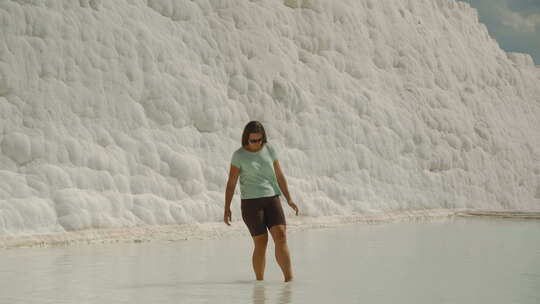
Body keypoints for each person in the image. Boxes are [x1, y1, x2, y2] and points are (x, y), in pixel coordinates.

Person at [224, 121, 299, 282]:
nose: (257, 144)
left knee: (281, 235)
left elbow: (279, 175)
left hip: (272, 198)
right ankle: (260, 282)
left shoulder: (269, 149)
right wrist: (227, 207)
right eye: (253, 140)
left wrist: (289, 198)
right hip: (251, 203)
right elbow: (231, 183)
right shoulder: (239, 155)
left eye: (260, 140)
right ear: (246, 139)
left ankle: (289, 281)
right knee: (261, 241)